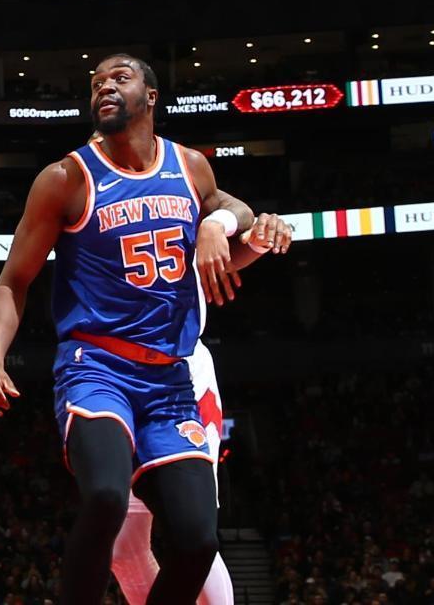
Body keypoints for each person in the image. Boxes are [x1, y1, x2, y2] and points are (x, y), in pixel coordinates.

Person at [0, 53, 292, 605]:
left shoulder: (190, 166)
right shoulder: (65, 178)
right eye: (96, 83)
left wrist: (232, 229)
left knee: (196, 540)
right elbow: (11, 282)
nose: (104, 87)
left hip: (170, 382)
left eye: (119, 78)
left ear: (151, 95)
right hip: (96, 367)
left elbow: (229, 224)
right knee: (104, 497)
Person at [110, 214, 293, 605]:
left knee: (190, 534)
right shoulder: (87, 201)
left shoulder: (176, 180)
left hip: (181, 378)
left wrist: (219, 225)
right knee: (123, 549)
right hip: (114, 380)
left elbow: (234, 216)